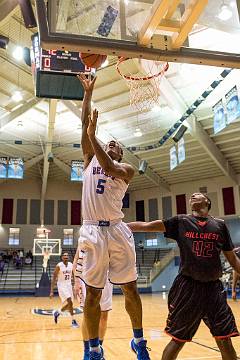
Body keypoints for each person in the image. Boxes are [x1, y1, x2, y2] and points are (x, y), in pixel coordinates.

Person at [77, 73, 150, 360]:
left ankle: (139, 341)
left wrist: (94, 135)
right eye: (108, 142)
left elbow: (109, 167)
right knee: (93, 295)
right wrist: (88, 93)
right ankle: (94, 350)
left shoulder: (126, 169)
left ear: (120, 152)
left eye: (116, 144)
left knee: (130, 288)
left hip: (118, 230)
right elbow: (85, 126)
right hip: (93, 231)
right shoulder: (89, 159)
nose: (111, 144)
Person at [128, 192, 240, 360]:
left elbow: (233, 259)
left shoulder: (220, 225)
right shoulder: (181, 221)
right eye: (192, 195)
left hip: (214, 290)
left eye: (199, 194)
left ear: (207, 202)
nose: (193, 195)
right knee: (178, 340)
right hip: (188, 288)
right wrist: (120, 226)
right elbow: (147, 226)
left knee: (225, 340)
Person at [73, 245, 113, 360]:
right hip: (87, 276)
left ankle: (98, 351)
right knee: (88, 316)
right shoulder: (86, 234)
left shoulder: (109, 233)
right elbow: (76, 259)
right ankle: (87, 351)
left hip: (106, 277)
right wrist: (76, 280)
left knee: (104, 316)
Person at [50, 252, 79, 328]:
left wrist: (75, 284)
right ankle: (73, 320)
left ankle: (58, 312)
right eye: (64, 255)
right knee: (69, 301)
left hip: (69, 285)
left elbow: (73, 275)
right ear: (62, 257)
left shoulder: (71, 265)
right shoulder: (59, 266)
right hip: (62, 285)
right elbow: (53, 278)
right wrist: (51, 291)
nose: (66, 257)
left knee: (71, 303)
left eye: (67, 255)